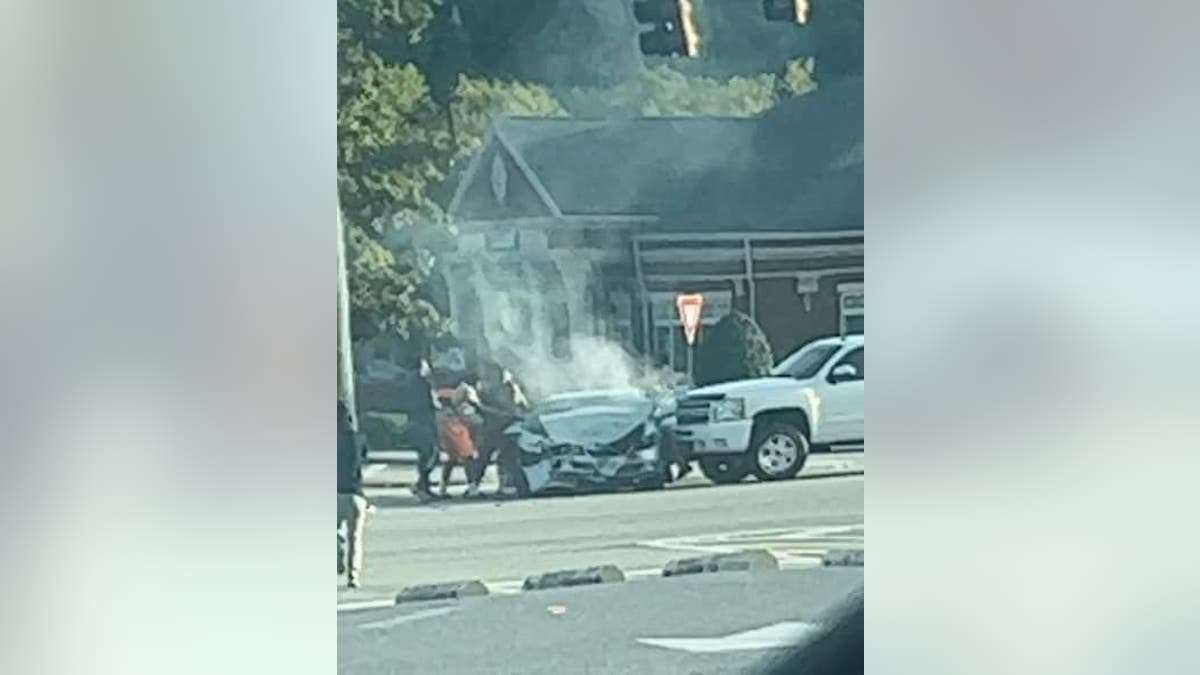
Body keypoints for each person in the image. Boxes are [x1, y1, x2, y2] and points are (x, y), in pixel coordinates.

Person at [476, 364, 529, 497]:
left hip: (506, 428)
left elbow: (507, 412)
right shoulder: (487, 390)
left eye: (494, 374)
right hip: (492, 429)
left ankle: (514, 486)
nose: (490, 376)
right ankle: (475, 485)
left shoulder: (508, 389)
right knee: (483, 458)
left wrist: (479, 406)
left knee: (507, 458)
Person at [337, 399, 367, 588]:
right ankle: (353, 576)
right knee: (355, 536)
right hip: (355, 493)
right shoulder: (359, 438)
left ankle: (337, 555)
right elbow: (363, 458)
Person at [435, 379, 483, 497]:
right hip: (459, 435)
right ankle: (472, 488)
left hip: (450, 435)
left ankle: (443, 488)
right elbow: (474, 421)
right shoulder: (460, 408)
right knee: (468, 460)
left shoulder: (441, 411)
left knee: (451, 462)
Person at [402, 357, 440, 502]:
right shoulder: (422, 384)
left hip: (416, 422)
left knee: (427, 455)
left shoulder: (410, 383)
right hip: (423, 423)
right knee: (430, 455)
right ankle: (422, 486)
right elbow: (432, 403)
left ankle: (423, 486)